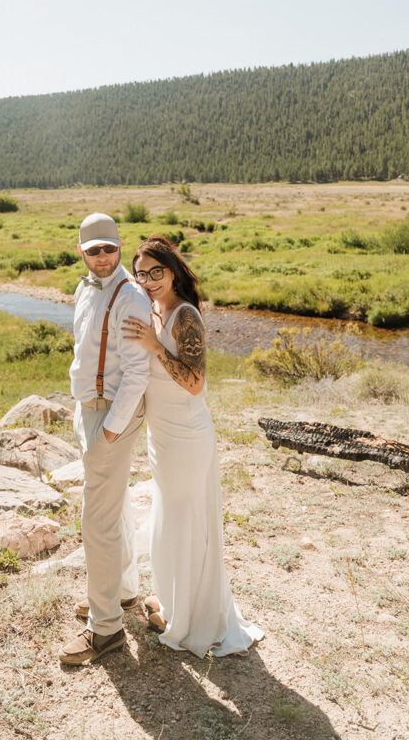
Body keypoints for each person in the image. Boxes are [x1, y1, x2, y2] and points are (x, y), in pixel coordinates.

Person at [122, 235, 263, 658]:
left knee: (187, 520)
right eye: (141, 273)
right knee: (171, 517)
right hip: (161, 435)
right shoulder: (153, 308)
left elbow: (195, 383)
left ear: (174, 270)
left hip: (186, 434)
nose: (148, 280)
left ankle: (195, 618)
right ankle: (171, 604)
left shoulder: (184, 316)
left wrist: (152, 345)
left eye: (156, 272)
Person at [59, 212, 152, 666]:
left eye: (109, 248)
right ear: (81, 251)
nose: (101, 256)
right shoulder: (82, 289)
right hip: (88, 412)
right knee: (113, 507)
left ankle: (106, 628)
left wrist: (110, 430)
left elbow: (137, 374)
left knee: (95, 521)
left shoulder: (131, 298)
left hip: (112, 418)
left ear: (120, 246)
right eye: (93, 249)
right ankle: (125, 593)